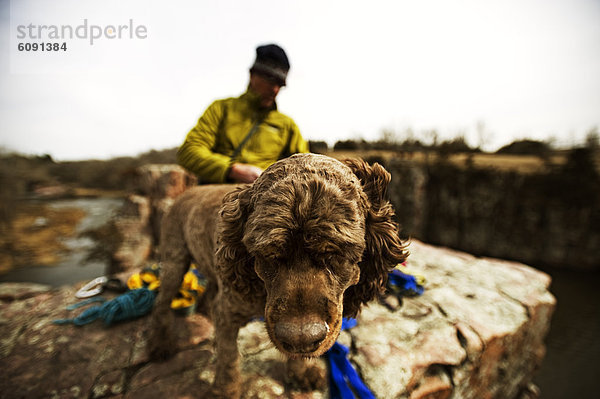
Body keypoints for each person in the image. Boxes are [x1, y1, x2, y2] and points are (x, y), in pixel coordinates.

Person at [177, 44, 309, 184]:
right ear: (252, 75)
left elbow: (305, 166)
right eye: (270, 80)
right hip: (217, 190)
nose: (275, 90)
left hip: (264, 196)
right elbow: (188, 151)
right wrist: (232, 170)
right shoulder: (221, 109)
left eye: (280, 84)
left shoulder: (287, 125)